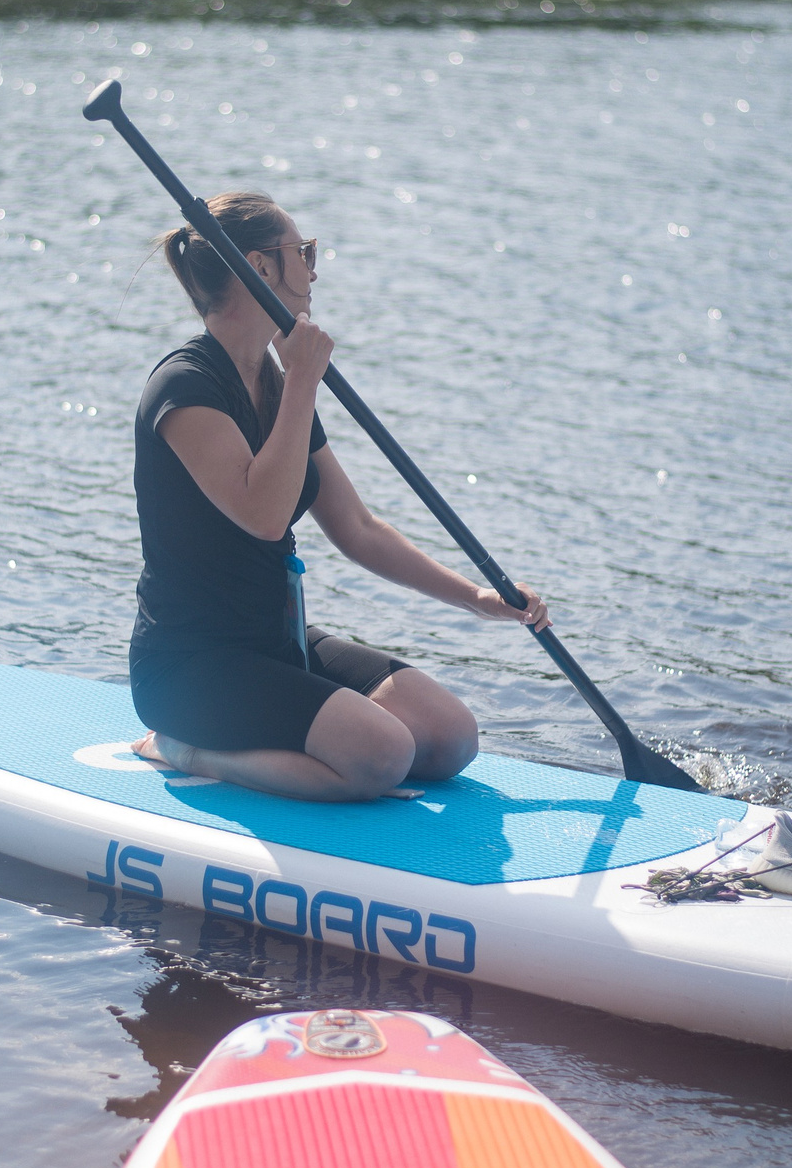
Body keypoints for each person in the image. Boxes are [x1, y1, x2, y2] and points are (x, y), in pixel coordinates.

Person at [128, 191, 549, 802]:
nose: (314, 270)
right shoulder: (185, 387)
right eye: (304, 252)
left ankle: (283, 738)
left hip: (277, 641)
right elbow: (264, 517)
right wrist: (303, 379)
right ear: (262, 267)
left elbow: (356, 527)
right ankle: (183, 749)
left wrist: (478, 599)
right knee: (381, 755)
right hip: (190, 666)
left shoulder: (275, 383)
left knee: (449, 738)